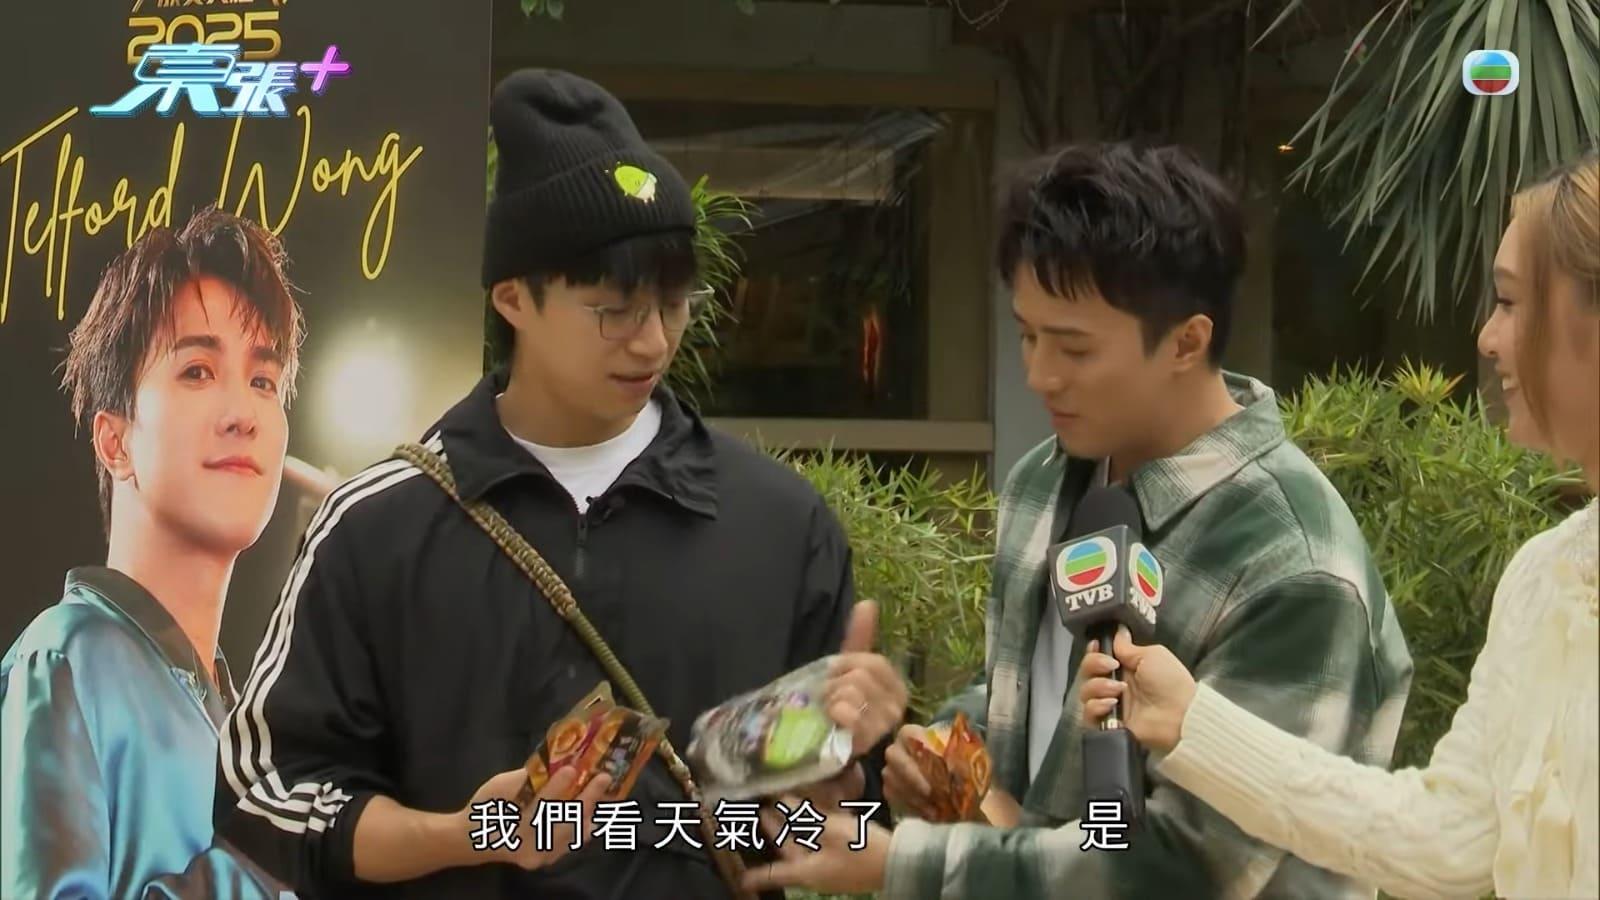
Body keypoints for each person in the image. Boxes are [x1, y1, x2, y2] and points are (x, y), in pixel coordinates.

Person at [212, 68, 903, 900]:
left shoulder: (780, 527)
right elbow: (262, 796)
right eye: (614, 310)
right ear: (513, 298)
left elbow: (847, 832)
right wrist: (468, 834)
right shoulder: (378, 525)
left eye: (673, 303)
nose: (652, 342)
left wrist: (848, 773)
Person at [742, 141, 1415, 899]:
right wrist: (937, 750)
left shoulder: (1295, 565)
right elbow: (1025, 709)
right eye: (1028, 336)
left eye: (1074, 348)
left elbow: (1193, 867)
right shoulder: (1046, 479)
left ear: (1187, 341)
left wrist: (905, 864)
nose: (1039, 376)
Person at [1076, 151, 1599, 900]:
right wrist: (1194, 722)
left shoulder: (1300, 540)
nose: (1487, 338)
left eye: (1512, 303)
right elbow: (1448, 838)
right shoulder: (1543, 577)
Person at [1, 206, 303, 898]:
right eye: (197, 370)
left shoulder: (242, 723)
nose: (244, 413)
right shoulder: (67, 657)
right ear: (115, 442)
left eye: (263, 381)